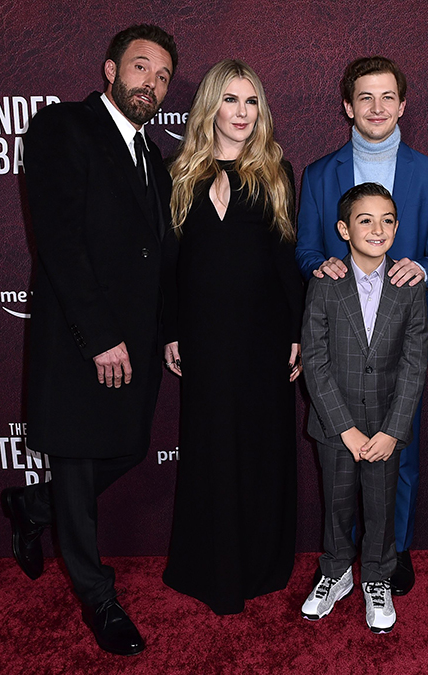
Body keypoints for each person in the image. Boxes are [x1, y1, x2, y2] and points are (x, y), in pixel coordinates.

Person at [0, 25, 177, 656]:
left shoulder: (155, 157)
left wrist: (167, 333)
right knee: (76, 463)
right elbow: (59, 240)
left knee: (129, 448)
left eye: (162, 77)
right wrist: (99, 336)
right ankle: (98, 597)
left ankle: (33, 508)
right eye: (141, 67)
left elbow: (162, 258)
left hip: (139, 343)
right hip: (82, 340)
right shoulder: (64, 126)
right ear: (110, 69)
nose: (151, 83)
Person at [295, 57, 428, 595]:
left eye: (388, 96)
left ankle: (392, 552)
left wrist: (424, 269)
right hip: (340, 335)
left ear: (403, 104)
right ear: (348, 106)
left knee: (398, 454)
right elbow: (305, 248)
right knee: (339, 465)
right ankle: (342, 561)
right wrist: (321, 265)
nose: (377, 107)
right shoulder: (319, 174)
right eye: (365, 96)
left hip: (397, 338)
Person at [160, 59, 304, 616]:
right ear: (210, 106)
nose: (242, 113)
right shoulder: (177, 173)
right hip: (203, 337)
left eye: (251, 102)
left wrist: (295, 331)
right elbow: (170, 266)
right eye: (230, 100)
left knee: (261, 448)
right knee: (209, 448)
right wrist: (171, 330)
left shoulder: (275, 172)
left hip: (262, 336)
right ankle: (209, 566)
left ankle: (260, 564)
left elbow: (285, 258)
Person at [301, 182, 428, 634]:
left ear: (397, 226)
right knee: (337, 505)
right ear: (344, 229)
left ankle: (377, 576)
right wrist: (345, 429)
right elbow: (315, 361)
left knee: (381, 507)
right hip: (337, 426)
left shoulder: (409, 286)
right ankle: (336, 572)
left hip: (386, 428)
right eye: (365, 220)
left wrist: (393, 430)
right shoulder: (325, 284)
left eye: (387, 220)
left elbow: (415, 363)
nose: (378, 229)